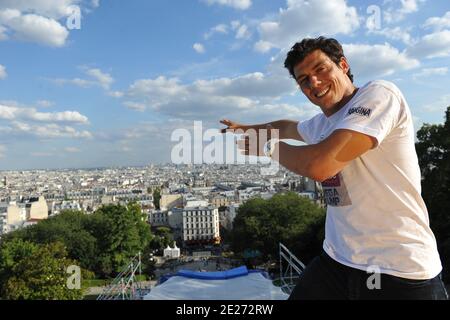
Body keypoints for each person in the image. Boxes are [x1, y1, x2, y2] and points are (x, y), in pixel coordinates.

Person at [220, 36, 448, 300]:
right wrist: (246, 128)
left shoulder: (379, 95)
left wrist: (269, 147)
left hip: (400, 270)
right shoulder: (320, 124)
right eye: (304, 80)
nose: (314, 82)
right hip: (338, 260)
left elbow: (321, 165)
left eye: (320, 69)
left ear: (343, 64)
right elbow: (285, 126)